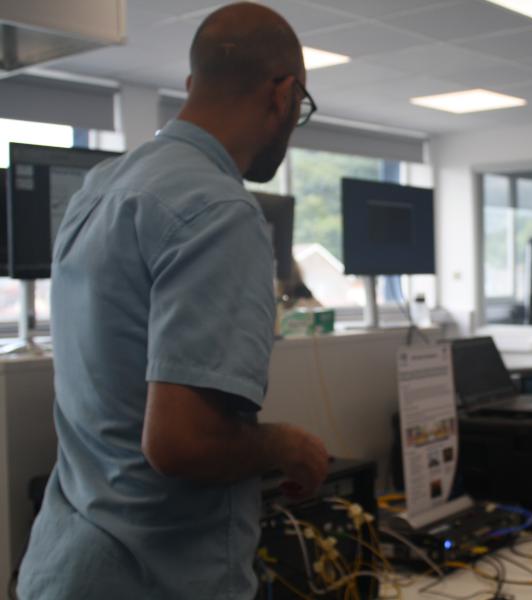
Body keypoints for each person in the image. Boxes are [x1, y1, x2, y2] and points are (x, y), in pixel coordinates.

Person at [16, 3, 328, 598]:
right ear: (283, 94)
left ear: (192, 86)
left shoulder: (98, 190)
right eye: (300, 108)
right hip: (155, 576)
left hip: (66, 566)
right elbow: (181, 442)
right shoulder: (221, 214)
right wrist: (286, 445)